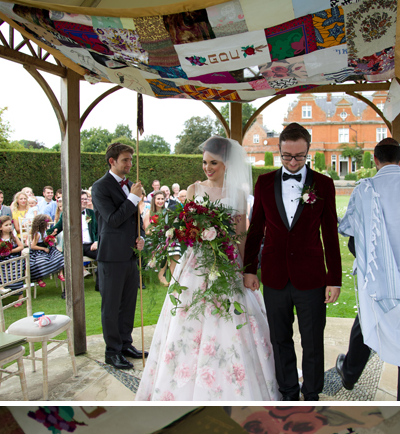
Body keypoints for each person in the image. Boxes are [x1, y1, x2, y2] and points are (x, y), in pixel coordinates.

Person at [137, 135, 278, 402]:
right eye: (204, 162)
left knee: (233, 322)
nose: (208, 167)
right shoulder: (193, 190)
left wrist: (247, 270)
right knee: (185, 324)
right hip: (195, 265)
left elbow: (242, 236)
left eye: (214, 162)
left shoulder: (237, 194)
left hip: (226, 263)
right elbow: (185, 228)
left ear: (227, 164)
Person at [331, 137, 400, 401]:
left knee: (371, 323)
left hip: (380, 276)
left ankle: (350, 371)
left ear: (376, 160)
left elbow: (348, 228)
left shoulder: (365, 188)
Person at [243, 124, 342, 401]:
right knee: (280, 340)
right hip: (274, 276)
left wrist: (334, 278)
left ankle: (311, 395)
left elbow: (330, 233)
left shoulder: (323, 184)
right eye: (287, 156)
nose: (293, 162)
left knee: (312, 342)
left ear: (308, 151)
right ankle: (287, 394)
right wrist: (250, 268)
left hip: (311, 277)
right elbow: (256, 228)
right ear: (279, 151)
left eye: (299, 156)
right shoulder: (263, 182)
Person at [91, 141, 146, 370]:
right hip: (111, 255)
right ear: (112, 161)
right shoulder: (100, 187)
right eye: (125, 160)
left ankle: (125, 344)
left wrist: (141, 235)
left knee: (128, 303)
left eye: (131, 160)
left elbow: (135, 218)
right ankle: (112, 351)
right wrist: (132, 199)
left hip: (130, 254)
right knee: (111, 306)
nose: (130, 164)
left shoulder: (130, 185)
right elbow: (112, 219)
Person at [28, 212, 65, 286]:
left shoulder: (44, 232)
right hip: (38, 251)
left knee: (59, 256)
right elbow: (33, 246)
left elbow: (44, 240)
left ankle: (60, 273)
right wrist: (43, 249)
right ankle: (39, 278)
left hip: (46, 249)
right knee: (41, 261)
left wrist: (52, 235)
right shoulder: (37, 234)